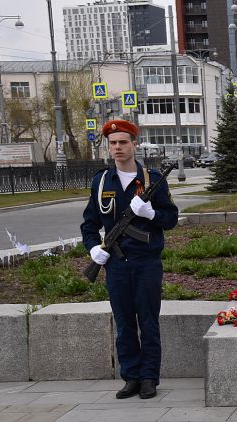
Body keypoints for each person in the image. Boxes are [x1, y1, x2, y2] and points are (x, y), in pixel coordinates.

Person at [80, 119, 179, 400]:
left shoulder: (151, 180)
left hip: (146, 263)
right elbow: (89, 224)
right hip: (115, 265)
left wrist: (151, 215)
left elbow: (170, 219)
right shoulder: (101, 182)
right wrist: (92, 250)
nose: (118, 148)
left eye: (123, 142)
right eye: (113, 143)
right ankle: (131, 377)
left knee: (148, 321)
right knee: (124, 323)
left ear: (134, 144)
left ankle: (149, 377)